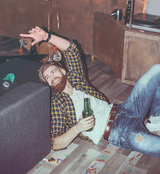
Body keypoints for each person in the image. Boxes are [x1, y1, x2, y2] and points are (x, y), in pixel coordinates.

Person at [20, 26, 160, 157]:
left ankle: (154, 121)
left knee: (156, 70)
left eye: (53, 72)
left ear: (63, 71)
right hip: (119, 132)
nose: (52, 78)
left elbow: (71, 50)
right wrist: (77, 128)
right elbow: (55, 144)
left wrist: (46, 36)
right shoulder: (57, 103)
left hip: (125, 108)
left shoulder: (77, 80)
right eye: (48, 78)